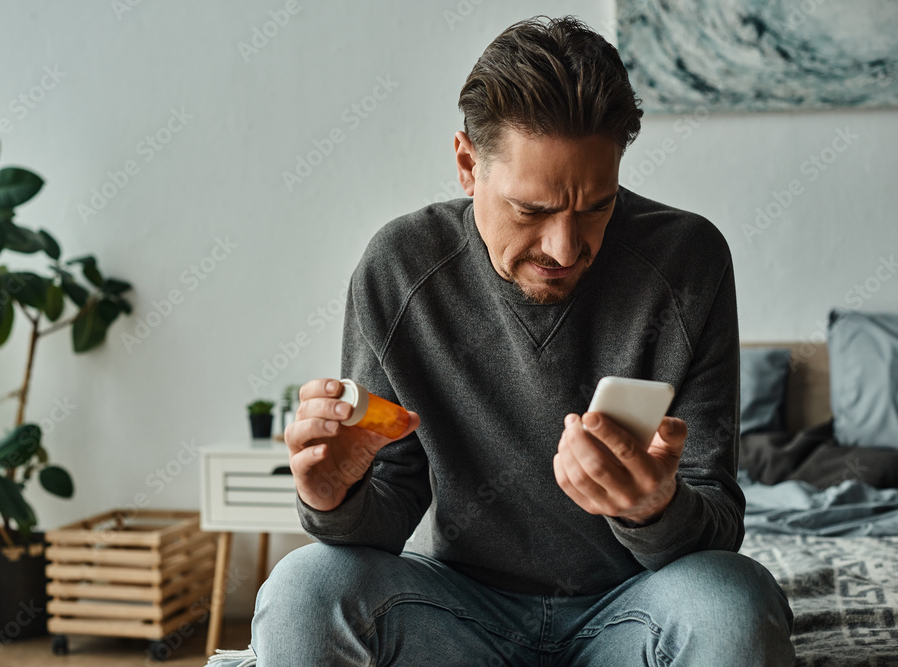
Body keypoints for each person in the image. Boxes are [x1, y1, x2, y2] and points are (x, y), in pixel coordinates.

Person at [248, 14, 794, 666]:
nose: (565, 248)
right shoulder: (399, 266)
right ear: (467, 164)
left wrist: (655, 508)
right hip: (455, 610)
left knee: (735, 600)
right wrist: (332, 494)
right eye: (532, 211)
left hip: (633, 607)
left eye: (597, 204)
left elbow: (717, 520)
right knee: (302, 586)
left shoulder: (688, 262)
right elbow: (387, 512)